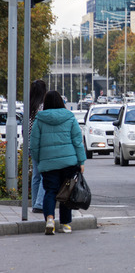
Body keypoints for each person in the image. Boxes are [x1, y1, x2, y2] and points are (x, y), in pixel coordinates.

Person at [30, 90, 86, 235]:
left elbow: (34, 144)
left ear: (46, 103)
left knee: (50, 191)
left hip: (48, 163)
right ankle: (66, 224)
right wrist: (81, 161)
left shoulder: (40, 120)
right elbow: (77, 141)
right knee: (66, 192)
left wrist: (38, 159)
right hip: (69, 162)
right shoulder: (70, 117)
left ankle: (49, 219)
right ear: (61, 101)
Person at [28, 80, 47, 213]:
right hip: (42, 144)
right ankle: (39, 203)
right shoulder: (43, 107)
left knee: (36, 175)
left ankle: (35, 202)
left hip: (31, 144)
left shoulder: (29, 106)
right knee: (45, 175)